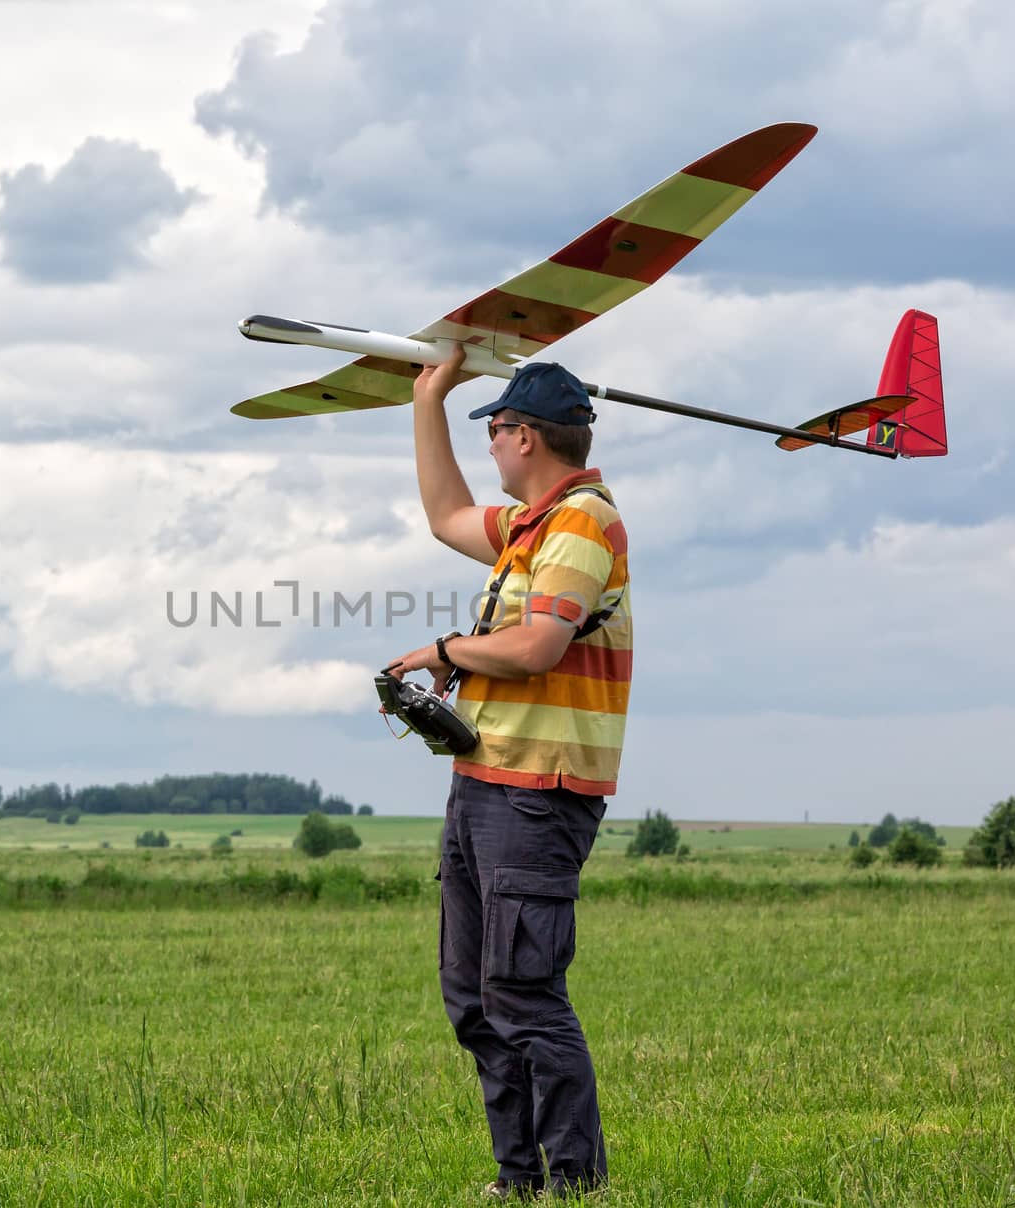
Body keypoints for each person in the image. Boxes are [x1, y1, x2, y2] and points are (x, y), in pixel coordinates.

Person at [385, 345, 633, 1198]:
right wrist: (428, 398)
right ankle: (516, 1177)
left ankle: (574, 1181)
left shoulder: (582, 523)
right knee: (475, 999)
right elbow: (446, 514)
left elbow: (537, 644)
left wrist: (448, 649)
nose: (489, 446)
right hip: (485, 785)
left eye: (493, 431)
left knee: (523, 994)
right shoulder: (530, 527)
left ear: (523, 434)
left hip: (538, 795)